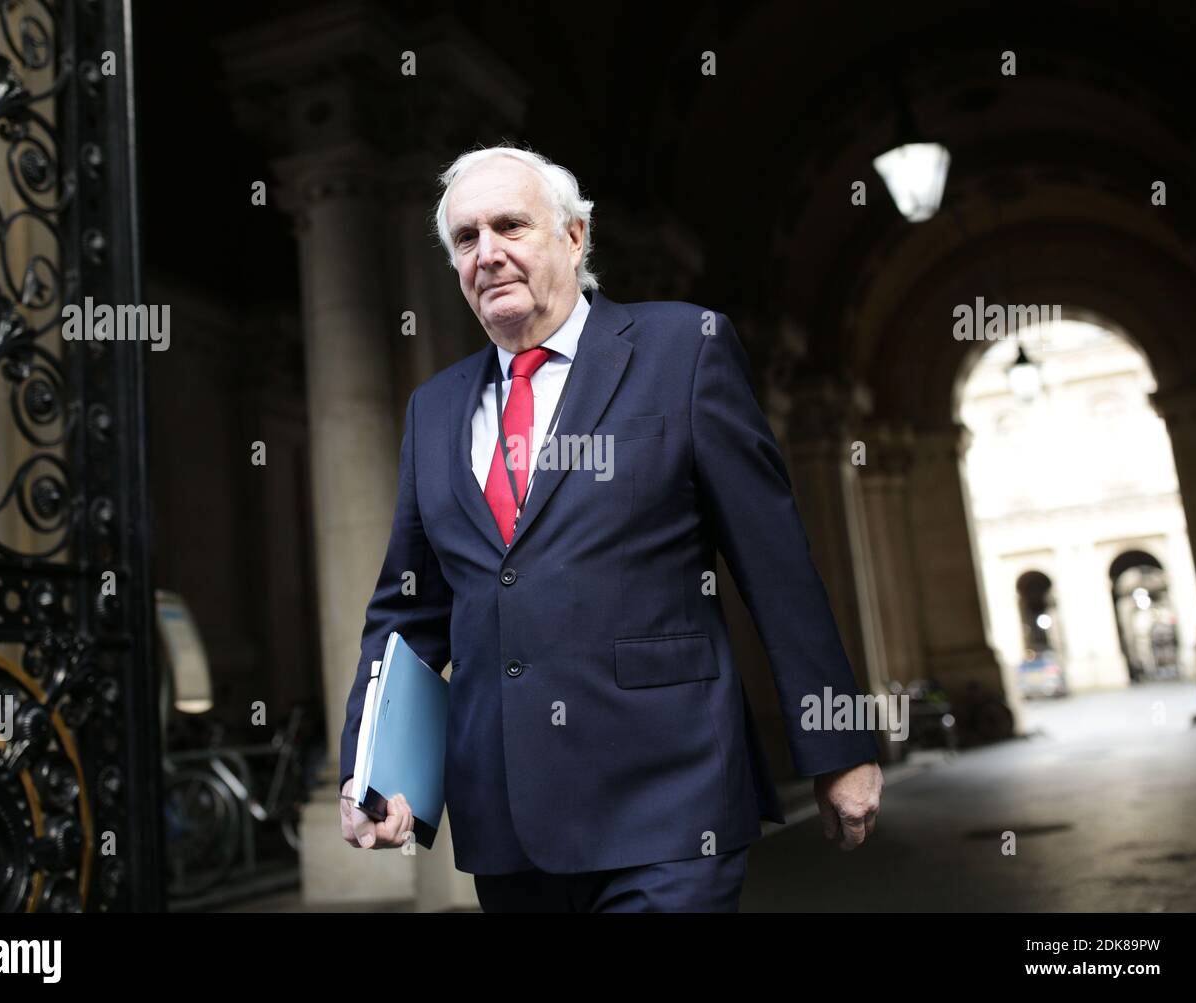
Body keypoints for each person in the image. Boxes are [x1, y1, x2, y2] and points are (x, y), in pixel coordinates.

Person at [339, 144, 882, 911]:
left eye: (510, 226)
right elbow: (408, 609)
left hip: (670, 798)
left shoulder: (681, 350)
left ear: (573, 236)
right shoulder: (434, 407)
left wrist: (839, 742)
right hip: (508, 818)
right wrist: (374, 770)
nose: (487, 253)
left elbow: (775, 562)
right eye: (466, 239)